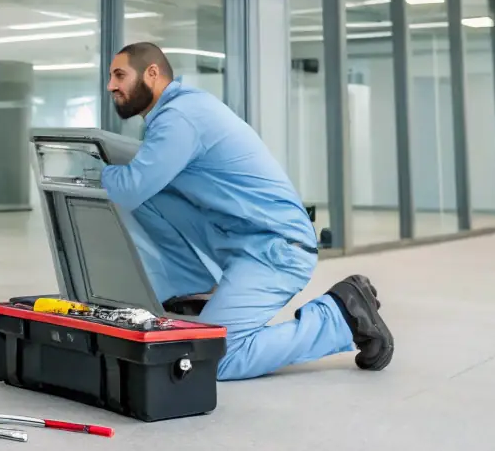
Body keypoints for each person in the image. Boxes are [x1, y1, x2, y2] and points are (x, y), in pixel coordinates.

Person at [101, 42, 393, 382]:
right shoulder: (179, 111)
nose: (111, 86)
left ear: (152, 73)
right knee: (152, 192)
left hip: (276, 249)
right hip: (238, 240)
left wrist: (95, 169)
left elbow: (131, 186)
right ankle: (192, 291)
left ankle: (341, 315)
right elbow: (143, 189)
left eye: (119, 75)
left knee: (217, 357)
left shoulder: (179, 117)